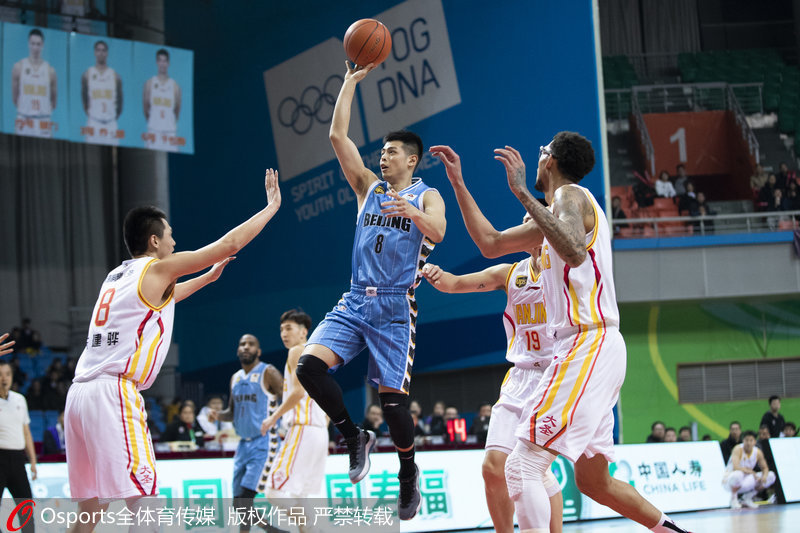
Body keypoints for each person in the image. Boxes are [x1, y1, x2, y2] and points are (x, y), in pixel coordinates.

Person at [429, 134, 691, 532]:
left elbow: (573, 250)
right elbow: (491, 243)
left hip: (587, 341)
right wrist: (458, 183)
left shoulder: (571, 195)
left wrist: (521, 192)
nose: (536, 157)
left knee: (522, 465)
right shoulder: (552, 219)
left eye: (541, 152)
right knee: (594, 482)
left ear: (549, 160)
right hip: (593, 347)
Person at [64, 169, 281, 532]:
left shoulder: (117, 277)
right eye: (170, 236)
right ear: (154, 241)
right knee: (146, 502)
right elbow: (228, 244)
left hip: (79, 396)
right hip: (112, 393)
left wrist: (207, 278)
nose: (175, 242)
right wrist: (271, 207)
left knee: (90, 508)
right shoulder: (158, 268)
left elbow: (165, 298)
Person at [293, 61, 446, 522]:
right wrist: (348, 82)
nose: (383, 157)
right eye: (381, 151)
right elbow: (337, 137)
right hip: (357, 298)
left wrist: (412, 212)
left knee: (393, 404)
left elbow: (438, 231)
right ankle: (353, 435)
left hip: (396, 305)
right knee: (308, 367)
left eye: (392, 152)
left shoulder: (427, 195)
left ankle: (407, 472)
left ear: (412, 160)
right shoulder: (367, 187)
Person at [422, 244, 564, 533]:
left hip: (556, 377)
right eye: (525, 222)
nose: (528, 224)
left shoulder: (567, 270)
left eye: (534, 222)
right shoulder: (509, 274)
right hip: (520, 377)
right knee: (493, 468)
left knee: (534, 467)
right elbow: (454, 284)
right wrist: (436, 273)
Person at [258, 310, 329, 533]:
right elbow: (328, 398)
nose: (283, 333)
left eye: (288, 328)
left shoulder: (297, 351)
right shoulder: (317, 356)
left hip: (303, 428)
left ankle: (310, 526)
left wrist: (273, 417)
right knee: (300, 495)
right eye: (281, 329)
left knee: (273, 491)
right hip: (319, 431)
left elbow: (297, 393)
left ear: (303, 332)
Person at [207, 334, 284, 533]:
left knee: (245, 499)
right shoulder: (236, 377)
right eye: (242, 344)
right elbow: (231, 413)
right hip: (243, 445)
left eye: (251, 344)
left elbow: (289, 397)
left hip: (264, 442)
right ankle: (273, 531)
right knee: (238, 502)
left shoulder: (268, 372)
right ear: (237, 351)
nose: (246, 347)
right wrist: (218, 415)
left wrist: (281, 421)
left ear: (259, 351)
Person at [0, 360, 37, 533]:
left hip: (18, 460)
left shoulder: (20, 399)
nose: (4, 378)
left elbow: (26, 432)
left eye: (7, 374)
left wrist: (33, 461)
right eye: (0, 375)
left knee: (26, 507)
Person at [12, 28, 57, 138]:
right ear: (28, 44)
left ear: (42, 45)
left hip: (43, 120)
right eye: (33, 44)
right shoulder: (18, 67)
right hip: (24, 119)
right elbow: (15, 98)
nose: (35, 48)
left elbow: (54, 101)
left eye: (38, 44)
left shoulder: (50, 71)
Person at [81, 40, 123, 145]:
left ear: (107, 53)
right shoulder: (87, 74)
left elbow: (120, 102)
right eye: (98, 50)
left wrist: (112, 116)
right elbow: (84, 99)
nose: (101, 53)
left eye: (103, 50)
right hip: (94, 122)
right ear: (95, 52)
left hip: (111, 123)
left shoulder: (115, 76)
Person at [723, 430, 775, 509]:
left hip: (746, 480)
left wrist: (764, 477)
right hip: (730, 481)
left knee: (771, 475)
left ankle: (747, 497)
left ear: (755, 442)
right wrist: (752, 473)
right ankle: (733, 499)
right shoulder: (738, 449)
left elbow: (765, 468)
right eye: (746, 440)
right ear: (743, 440)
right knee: (738, 474)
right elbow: (736, 467)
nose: (748, 443)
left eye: (751, 440)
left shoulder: (757, 452)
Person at [143, 48, 181, 152]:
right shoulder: (149, 83)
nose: (162, 64)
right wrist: (155, 122)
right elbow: (146, 107)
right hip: (154, 132)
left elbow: (177, 110)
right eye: (160, 60)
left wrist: (167, 123)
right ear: (157, 62)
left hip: (170, 133)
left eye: (165, 61)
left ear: (168, 63)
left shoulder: (175, 86)